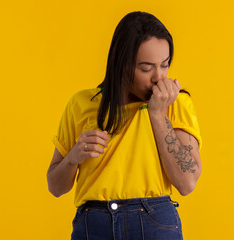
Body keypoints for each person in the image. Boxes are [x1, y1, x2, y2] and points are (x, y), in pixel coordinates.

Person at [47, 11, 203, 240]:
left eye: (165, 65)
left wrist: (158, 114)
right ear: (122, 64)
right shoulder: (81, 104)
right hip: (94, 225)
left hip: (153, 222)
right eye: (146, 68)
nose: (159, 77)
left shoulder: (176, 103)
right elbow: (55, 186)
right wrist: (73, 156)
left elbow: (187, 182)